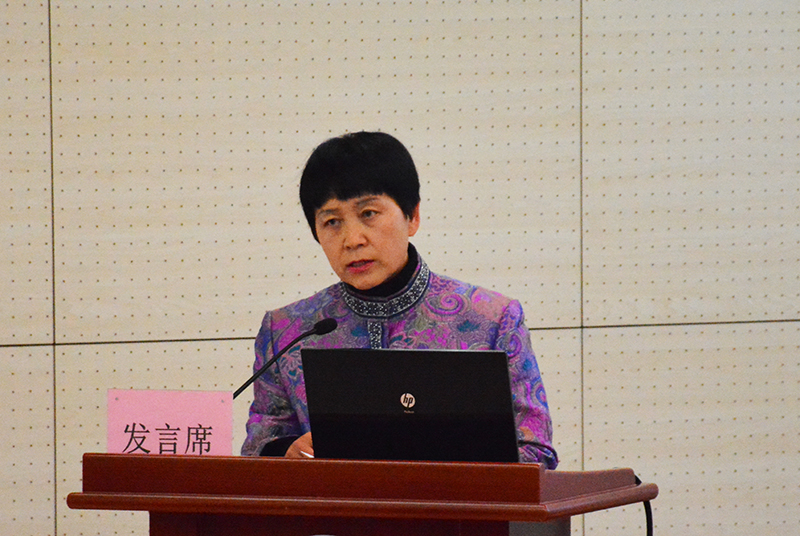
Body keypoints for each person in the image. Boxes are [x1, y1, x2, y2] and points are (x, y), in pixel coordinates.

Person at [241, 131, 558, 468]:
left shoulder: (491, 319)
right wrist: (287, 451)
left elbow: (535, 452)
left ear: (412, 216)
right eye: (332, 222)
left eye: (368, 213)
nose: (352, 239)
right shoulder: (287, 330)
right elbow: (258, 449)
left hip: (458, 503)